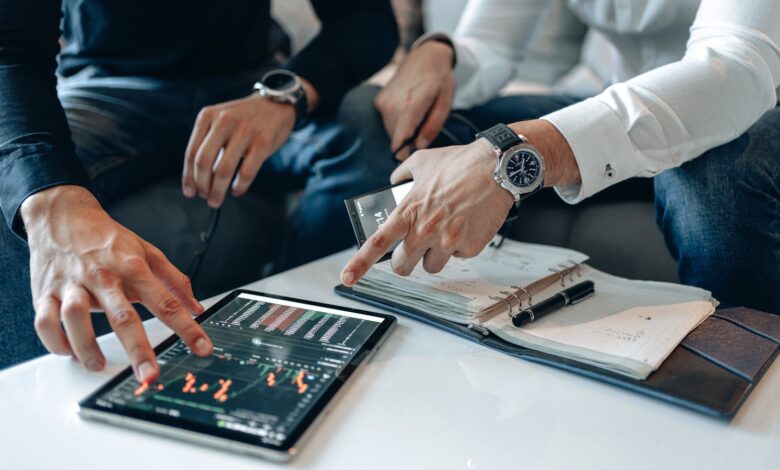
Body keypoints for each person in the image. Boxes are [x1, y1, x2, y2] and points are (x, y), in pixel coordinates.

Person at [0, 0, 398, 379]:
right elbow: (11, 50)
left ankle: (309, 326)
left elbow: (367, 18)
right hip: (109, 87)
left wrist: (285, 95)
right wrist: (52, 199)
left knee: (372, 124)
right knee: (17, 192)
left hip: (254, 85)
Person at [339, 0, 780, 315]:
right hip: (615, 102)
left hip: (759, 104)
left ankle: (750, 383)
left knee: (709, 170)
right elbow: (492, 42)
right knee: (382, 116)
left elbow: (734, 70)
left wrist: (513, 155)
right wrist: (441, 53)